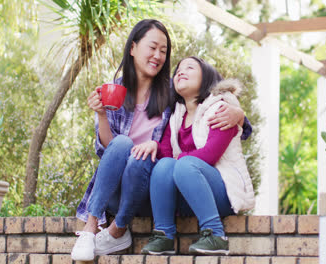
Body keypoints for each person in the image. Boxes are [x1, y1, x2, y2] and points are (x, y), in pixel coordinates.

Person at [71, 20, 252, 261]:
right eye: (152, 47)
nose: (158, 56)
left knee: (151, 161)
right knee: (124, 144)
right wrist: (102, 114)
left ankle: (120, 228)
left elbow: (218, 113)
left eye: (164, 51)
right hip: (121, 187)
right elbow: (107, 150)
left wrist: (239, 115)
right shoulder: (116, 90)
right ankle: (91, 229)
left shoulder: (171, 92)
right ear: (133, 48)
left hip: (152, 186)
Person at [137, 56, 255, 256]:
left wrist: (180, 161)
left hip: (223, 190)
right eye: (178, 70)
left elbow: (210, 155)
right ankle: (164, 235)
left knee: (183, 164)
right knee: (164, 165)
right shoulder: (176, 115)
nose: (180, 72)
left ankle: (216, 235)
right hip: (188, 191)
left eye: (189, 67)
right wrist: (153, 144)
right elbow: (166, 155)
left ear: (206, 76)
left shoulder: (222, 107)